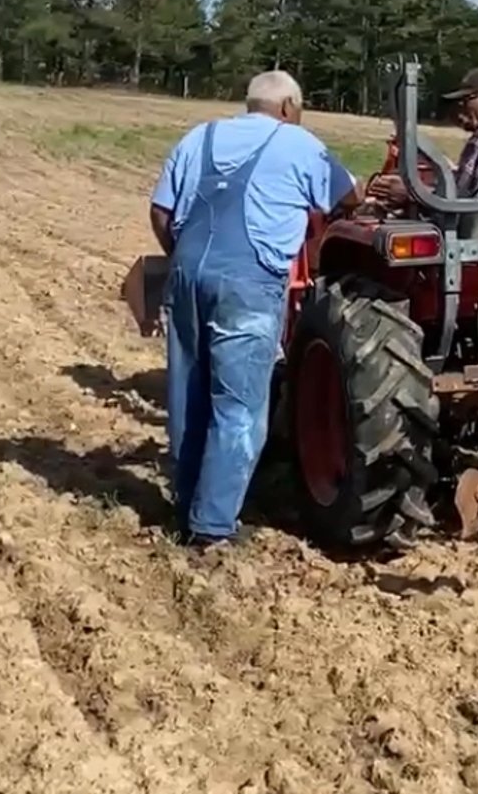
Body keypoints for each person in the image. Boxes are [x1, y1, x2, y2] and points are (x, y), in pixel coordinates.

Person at [149, 69, 363, 550]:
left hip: (185, 277)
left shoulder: (198, 138)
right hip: (246, 286)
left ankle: (186, 507)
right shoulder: (299, 144)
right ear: (288, 108)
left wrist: (182, 258)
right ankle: (212, 527)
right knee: (239, 408)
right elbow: (348, 196)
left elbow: (161, 213)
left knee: (189, 392)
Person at [368, 66, 478, 203]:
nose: (460, 111)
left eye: (465, 101)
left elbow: (455, 201)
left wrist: (411, 192)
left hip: (477, 237)